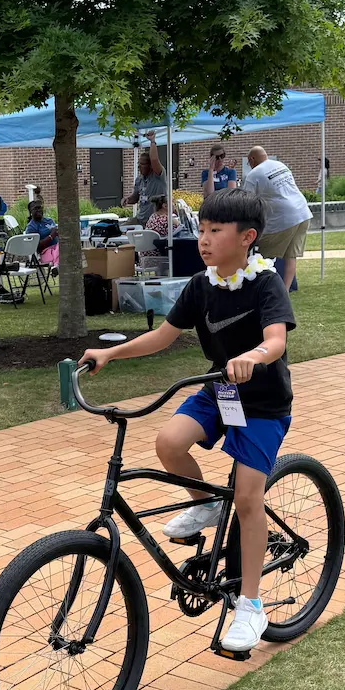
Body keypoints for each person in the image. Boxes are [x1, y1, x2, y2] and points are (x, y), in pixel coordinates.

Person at [80, 190, 295, 654]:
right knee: (169, 442)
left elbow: (275, 340)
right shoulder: (201, 286)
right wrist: (110, 354)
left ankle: (251, 605)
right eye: (200, 229)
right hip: (219, 392)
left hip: (261, 403)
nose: (203, 239)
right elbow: (162, 336)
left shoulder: (265, 283)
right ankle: (205, 504)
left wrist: (253, 357)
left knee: (248, 498)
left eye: (215, 231)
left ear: (247, 237)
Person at [240, 146, 312, 289]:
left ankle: (263, 291)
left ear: (251, 159)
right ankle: (284, 293)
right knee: (290, 257)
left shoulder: (253, 175)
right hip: (303, 213)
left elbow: (245, 204)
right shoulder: (280, 165)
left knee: (261, 258)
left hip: (283, 218)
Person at [130, 130, 168, 220]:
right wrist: (127, 199)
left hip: (156, 220)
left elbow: (154, 159)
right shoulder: (139, 180)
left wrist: (152, 141)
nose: (139, 166)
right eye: (138, 164)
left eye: (142, 164)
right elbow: (135, 198)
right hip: (140, 219)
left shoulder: (158, 176)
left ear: (150, 166)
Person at [25, 200, 59, 268]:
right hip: (44, 253)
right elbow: (35, 246)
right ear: (31, 212)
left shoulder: (49, 220)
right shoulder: (31, 227)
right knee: (62, 249)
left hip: (57, 248)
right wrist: (51, 236)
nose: (38, 210)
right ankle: (57, 266)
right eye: (35, 208)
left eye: (40, 208)